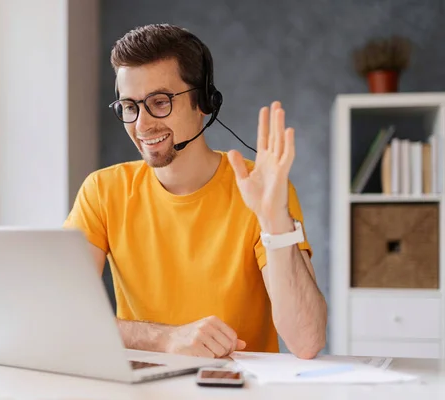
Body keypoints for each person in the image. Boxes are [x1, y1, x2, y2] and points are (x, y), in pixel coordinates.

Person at [64, 23, 327, 360]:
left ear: (203, 102)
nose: (142, 125)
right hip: (143, 390)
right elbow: (63, 316)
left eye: (159, 102)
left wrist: (274, 219)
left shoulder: (262, 190)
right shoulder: (102, 191)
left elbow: (307, 341)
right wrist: (165, 338)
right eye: (130, 106)